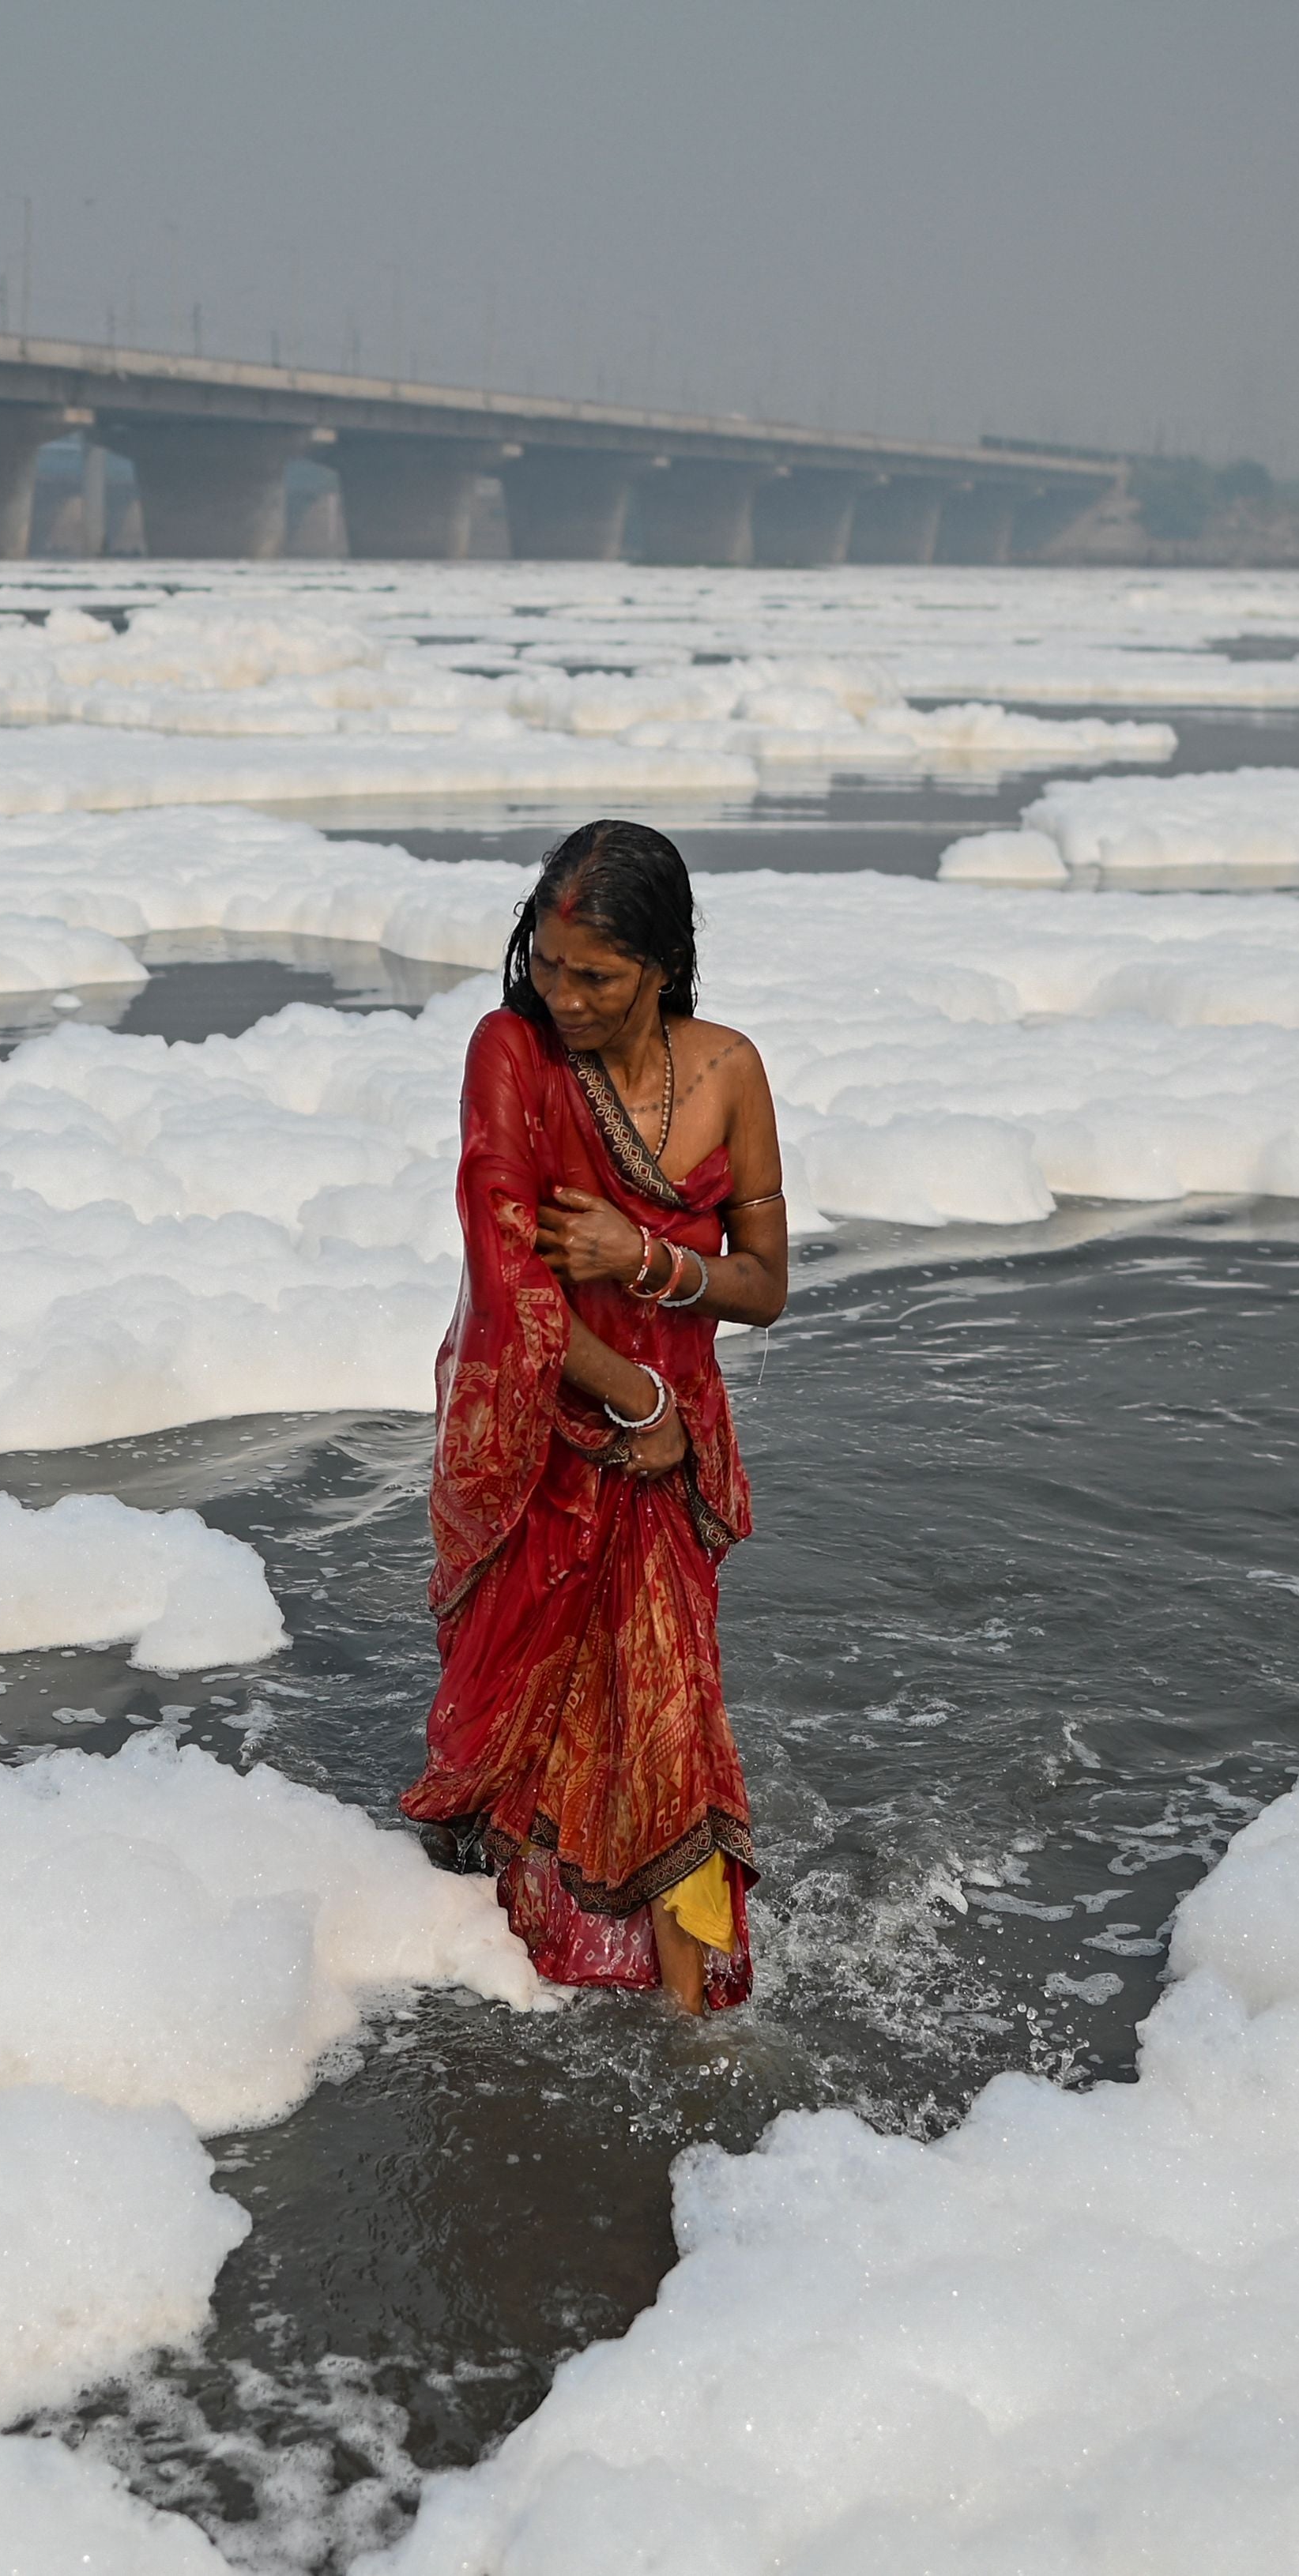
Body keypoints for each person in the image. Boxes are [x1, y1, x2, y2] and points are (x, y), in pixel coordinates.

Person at [400, 819, 789, 2014]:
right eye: (549, 962)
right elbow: (510, 1276)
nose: (562, 995)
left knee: (668, 1734)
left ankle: (695, 2029)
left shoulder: (727, 1072)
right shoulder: (508, 1055)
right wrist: (641, 1396)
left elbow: (764, 1285)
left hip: (663, 1471)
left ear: (661, 966)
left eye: (597, 976)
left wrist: (647, 1258)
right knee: (520, 1730)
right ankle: (524, 1963)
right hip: (539, 1440)